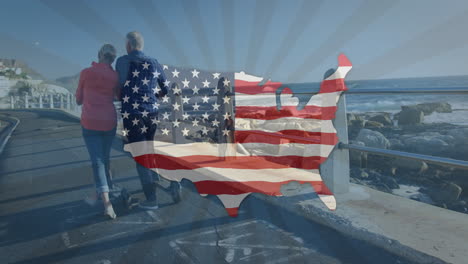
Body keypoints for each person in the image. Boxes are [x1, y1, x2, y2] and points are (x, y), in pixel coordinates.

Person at [116, 31, 180, 210]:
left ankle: (151, 199)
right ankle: (168, 183)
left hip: (132, 114)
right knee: (150, 150)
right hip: (151, 113)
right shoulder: (154, 62)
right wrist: (153, 96)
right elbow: (166, 89)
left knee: (140, 156)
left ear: (128, 45)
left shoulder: (122, 61)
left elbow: (119, 87)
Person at [76, 44, 119, 219]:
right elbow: (118, 96)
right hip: (109, 121)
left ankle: (107, 204)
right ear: (113, 58)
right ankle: (101, 194)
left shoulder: (86, 73)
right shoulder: (115, 75)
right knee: (104, 159)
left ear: (99, 54)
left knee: (98, 161)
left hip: (90, 122)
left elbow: (78, 100)